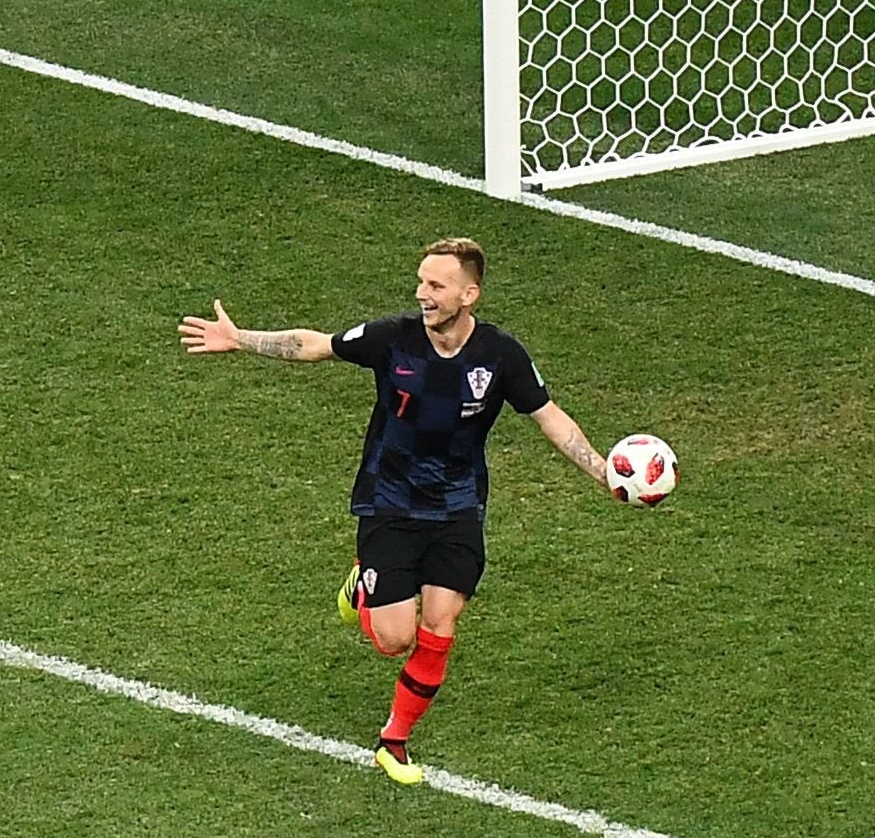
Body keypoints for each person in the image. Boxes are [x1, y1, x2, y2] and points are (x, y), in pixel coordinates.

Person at [178, 237, 612, 781]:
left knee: (442, 623)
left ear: (469, 293)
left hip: (458, 507)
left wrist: (603, 471)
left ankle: (394, 740)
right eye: (421, 282)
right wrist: (239, 338)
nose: (422, 294)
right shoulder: (394, 340)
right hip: (390, 501)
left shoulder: (500, 356)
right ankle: (362, 586)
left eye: (436, 285)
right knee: (393, 640)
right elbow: (314, 345)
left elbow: (550, 417)